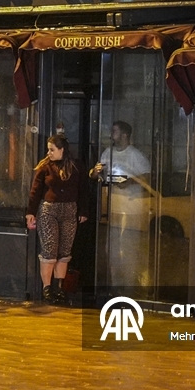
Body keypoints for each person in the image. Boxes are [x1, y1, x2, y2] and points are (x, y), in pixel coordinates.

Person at [26, 134, 89, 303]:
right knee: (49, 248)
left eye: (52, 150)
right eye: (48, 149)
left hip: (69, 209)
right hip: (49, 209)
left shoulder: (76, 167)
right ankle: (47, 287)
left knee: (64, 250)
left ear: (62, 150)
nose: (49, 153)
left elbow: (83, 189)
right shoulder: (45, 166)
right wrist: (31, 212)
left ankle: (59, 286)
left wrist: (83, 211)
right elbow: (36, 190)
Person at [91, 121, 152, 288]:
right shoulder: (107, 152)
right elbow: (95, 173)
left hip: (131, 208)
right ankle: (115, 284)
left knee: (129, 247)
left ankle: (130, 284)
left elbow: (147, 176)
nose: (111, 134)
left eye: (114, 131)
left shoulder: (135, 155)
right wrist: (95, 172)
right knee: (113, 247)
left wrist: (130, 181)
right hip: (114, 206)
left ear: (125, 134)